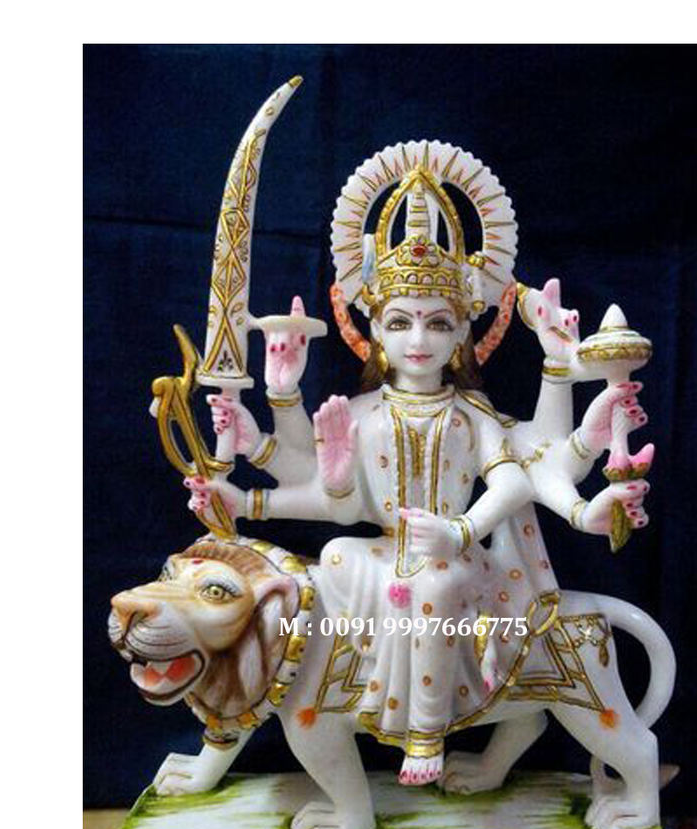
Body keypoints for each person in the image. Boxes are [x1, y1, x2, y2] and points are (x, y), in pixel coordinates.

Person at [186, 160, 650, 785]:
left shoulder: (470, 415)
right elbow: (330, 493)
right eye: (401, 322)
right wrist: (259, 456)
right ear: (375, 330)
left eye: (438, 323)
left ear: (462, 334)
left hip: (454, 561)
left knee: (432, 588)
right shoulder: (362, 412)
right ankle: (346, 697)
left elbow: (514, 481)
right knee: (337, 556)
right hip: (381, 560)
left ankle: (424, 732)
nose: (418, 341)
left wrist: (460, 531)